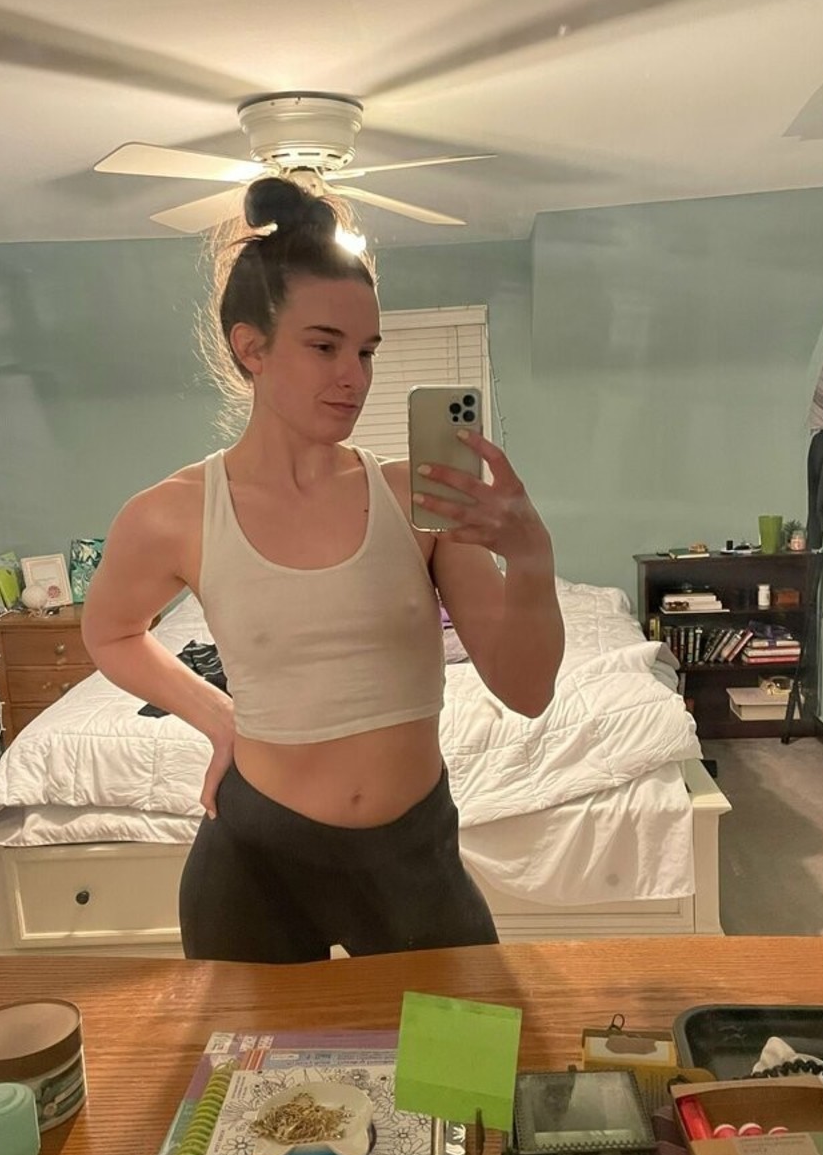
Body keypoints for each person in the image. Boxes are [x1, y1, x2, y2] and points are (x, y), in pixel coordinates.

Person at [81, 176, 565, 963]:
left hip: (414, 859)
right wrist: (219, 716)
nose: (355, 376)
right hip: (256, 866)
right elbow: (109, 632)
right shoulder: (172, 513)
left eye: (366, 351)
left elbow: (528, 688)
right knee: (252, 1052)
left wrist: (533, 556)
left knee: (469, 1047)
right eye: (325, 345)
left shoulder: (417, 498)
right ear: (252, 348)